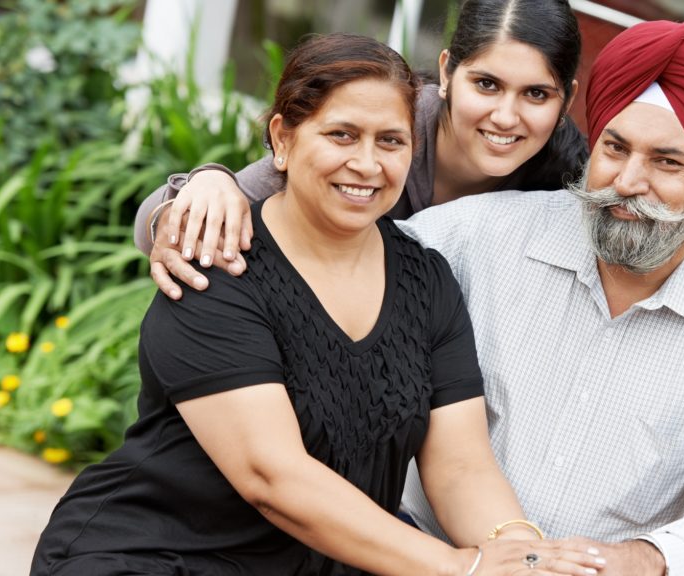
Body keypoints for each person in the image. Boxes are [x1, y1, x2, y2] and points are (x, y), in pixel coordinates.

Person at [31, 34, 605, 576]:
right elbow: (272, 475)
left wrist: (521, 554)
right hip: (156, 554)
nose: (367, 163)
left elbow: (461, 464)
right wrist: (459, 566)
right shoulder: (219, 264)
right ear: (282, 139)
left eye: (391, 141)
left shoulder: (428, 282)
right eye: (342, 135)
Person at [397, 20, 684, 576]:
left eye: (666, 162)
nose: (628, 180)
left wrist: (637, 561)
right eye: (615, 148)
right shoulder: (471, 239)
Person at [132, 0, 684, 335]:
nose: (506, 117)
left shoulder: (563, 178)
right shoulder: (384, 135)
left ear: (566, 100)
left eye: (534, 95)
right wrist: (206, 186)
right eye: (487, 85)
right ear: (448, 71)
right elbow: (169, 220)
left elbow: (650, 231)